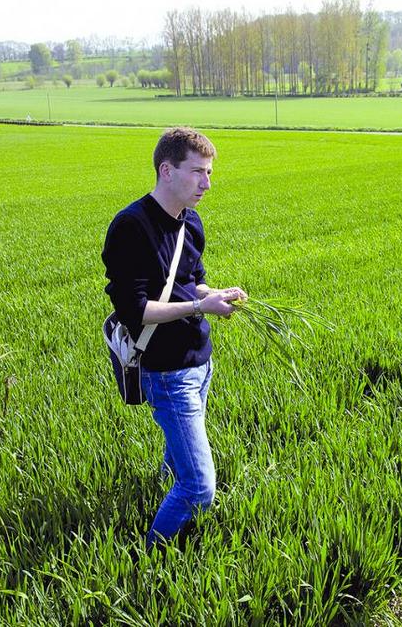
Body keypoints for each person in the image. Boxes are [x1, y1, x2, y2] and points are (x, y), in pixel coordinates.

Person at [102, 127, 247, 547]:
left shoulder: (191, 221)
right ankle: (148, 554)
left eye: (209, 173)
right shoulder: (131, 227)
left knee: (179, 459)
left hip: (200, 361)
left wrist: (214, 294)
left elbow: (190, 283)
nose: (207, 182)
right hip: (166, 371)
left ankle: (161, 492)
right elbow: (136, 310)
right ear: (167, 170)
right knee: (200, 488)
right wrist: (202, 307)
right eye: (198, 172)